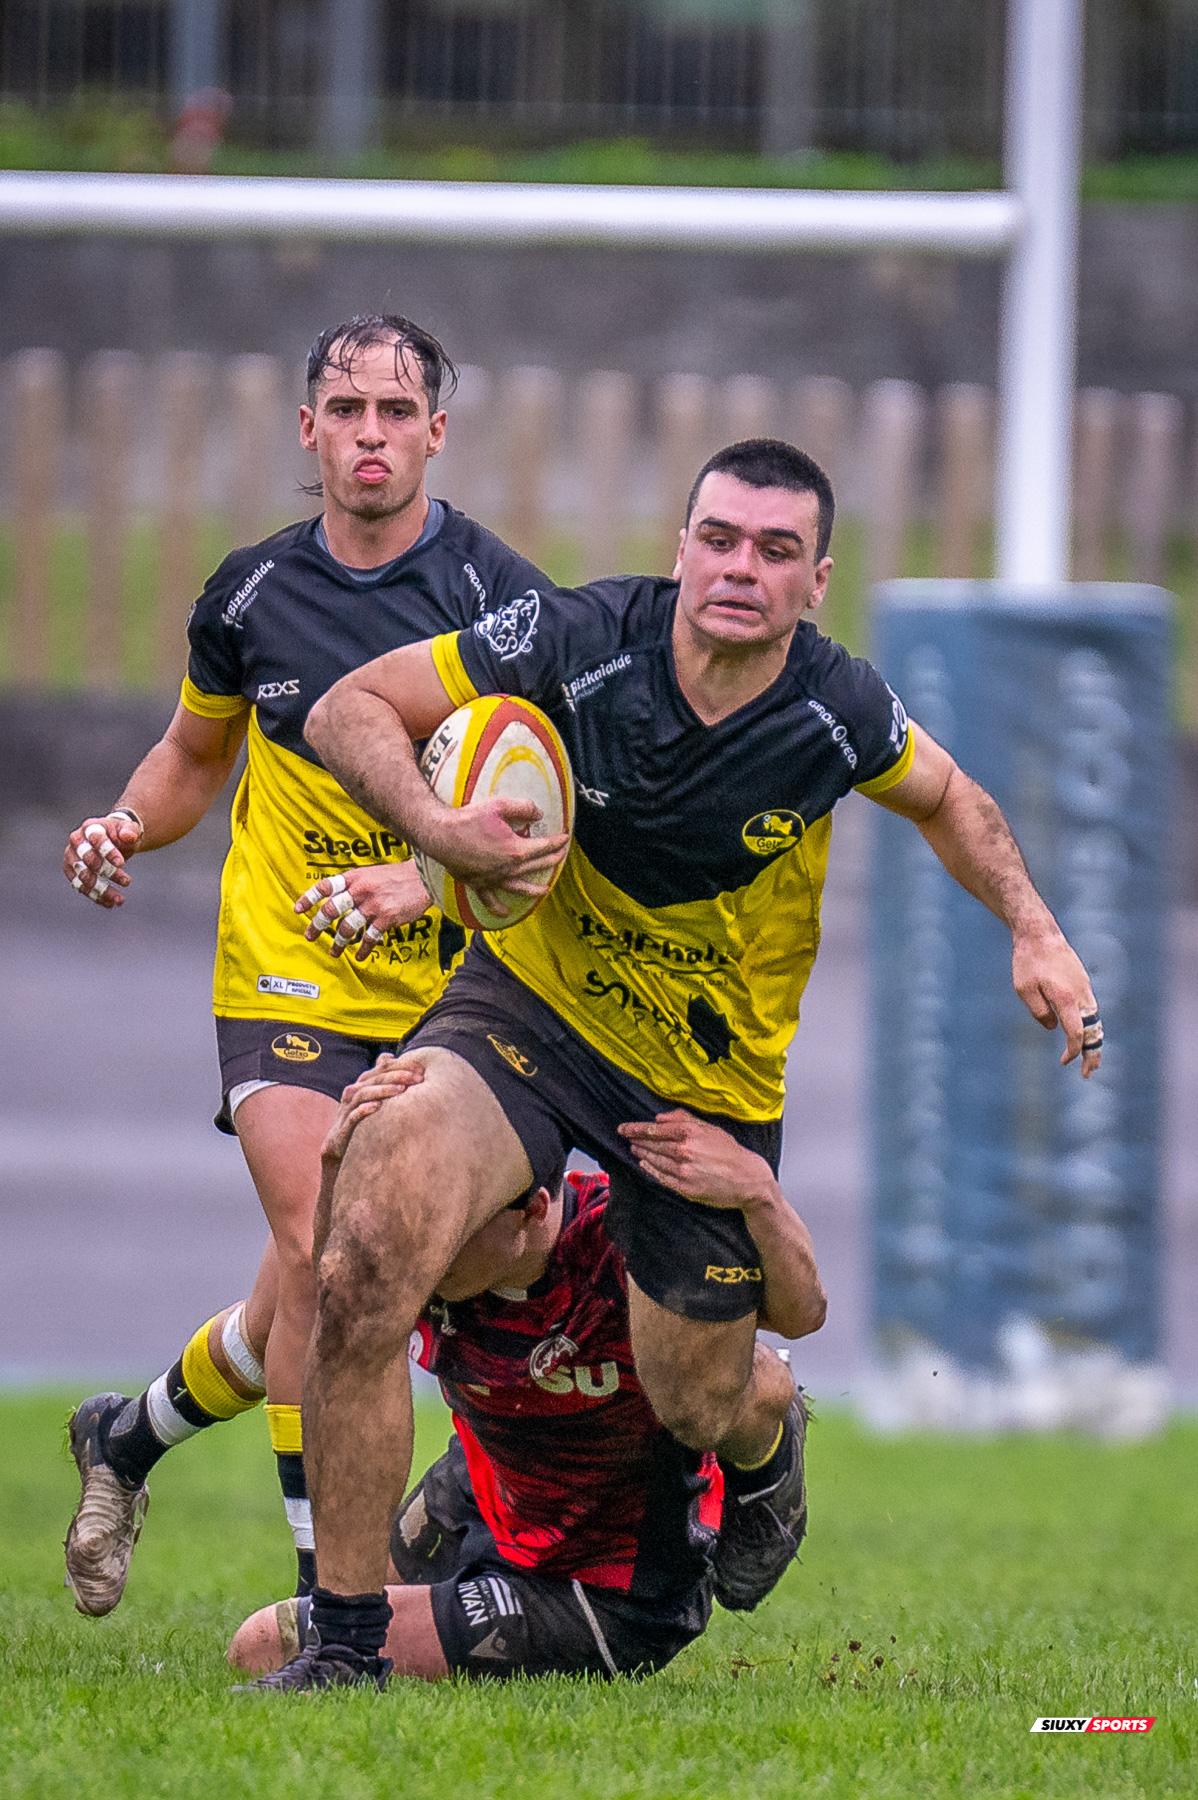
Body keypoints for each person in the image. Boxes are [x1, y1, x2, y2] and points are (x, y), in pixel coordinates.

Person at [268, 434, 1103, 1691]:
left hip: (702, 1084)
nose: (740, 569)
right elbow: (350, 708)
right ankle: (341, 1644)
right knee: (369, 1243)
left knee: (693, 1396)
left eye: (775, 552)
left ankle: (766, 1427)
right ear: (682, 547)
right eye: (719, 539)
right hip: (530, 1012)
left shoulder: (836, 707)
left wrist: (1035, 930)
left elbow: (952, 801)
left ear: (814, 581)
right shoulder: (579, 636)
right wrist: (443, 835)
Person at [60, 313, 553, 1617]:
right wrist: (123, 820)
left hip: (451, 997)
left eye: (398, 413)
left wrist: (435, 872)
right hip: (281, 976)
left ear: (436, 433)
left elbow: (552, 801)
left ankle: (129, 1438)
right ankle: (329, 1602)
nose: (372, 436)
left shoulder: (499, 600)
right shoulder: (249, 595)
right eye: (348, 411)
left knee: (378, 1271)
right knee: (329, 1254)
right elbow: (188, 759)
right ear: (308, 429)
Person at [231, 1057, 826, 1690]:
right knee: (287, 1635)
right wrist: (335, 1163)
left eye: (461, 1220)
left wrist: (760, 1194)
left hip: (603, 1590)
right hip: (481, 1488)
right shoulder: (423, 1250)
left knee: (263, 1643)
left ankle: (769, 1441)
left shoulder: (617, 1245)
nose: (433, 1240)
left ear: (531, 1212)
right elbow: (331, 1294)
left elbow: (803, 1312)